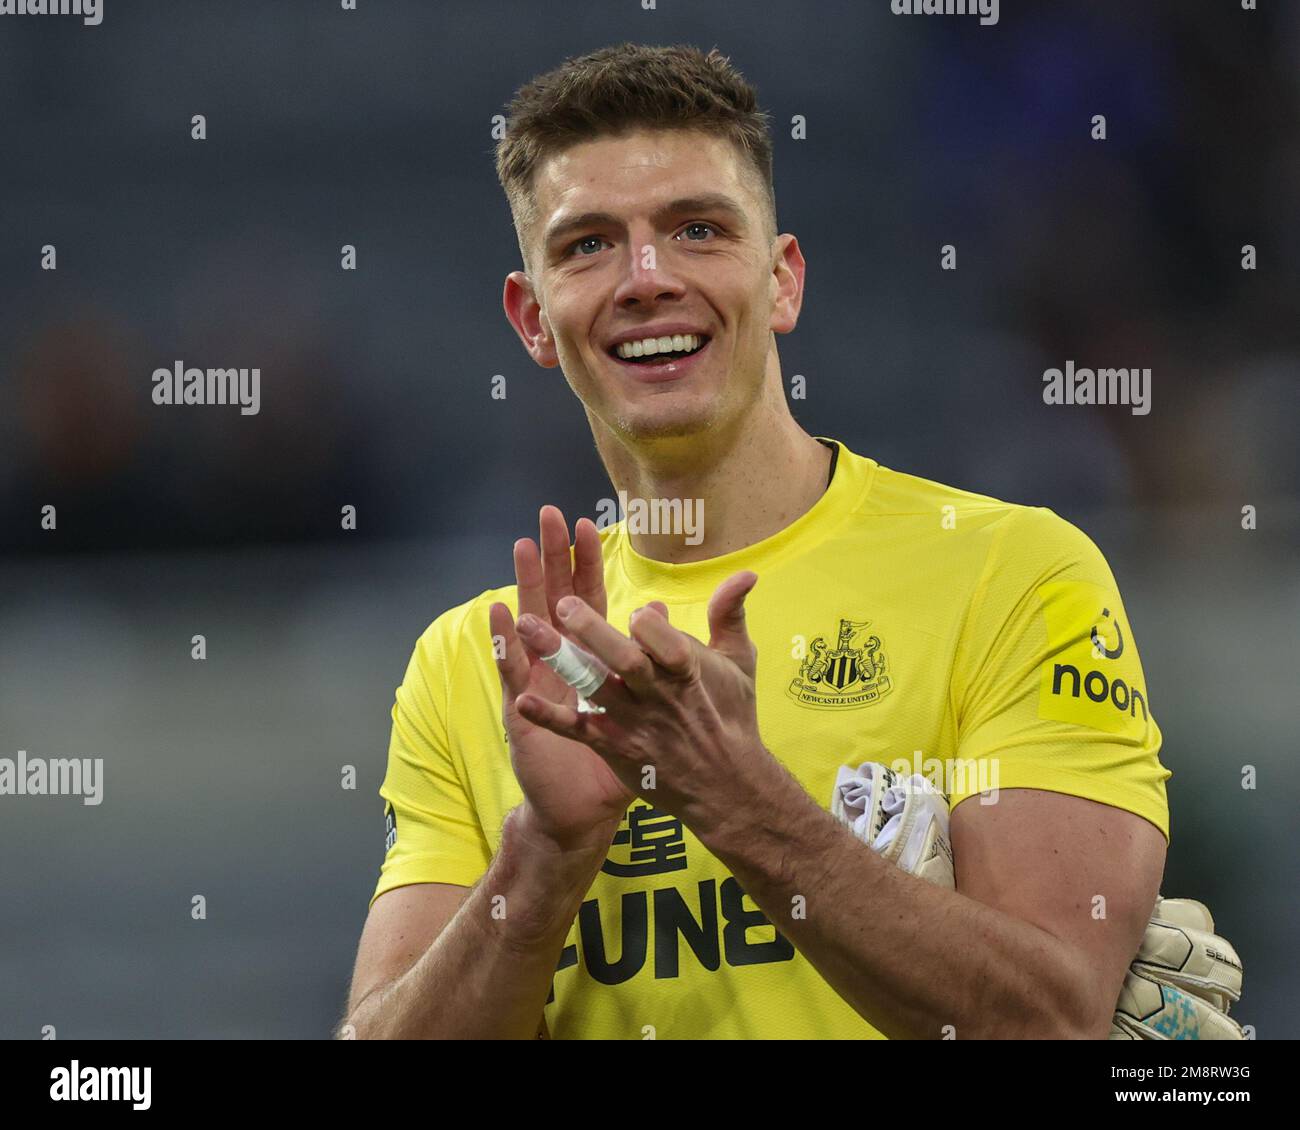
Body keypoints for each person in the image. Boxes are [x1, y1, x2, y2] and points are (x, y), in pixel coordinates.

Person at [340, 42, 1169, 1039]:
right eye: (587, 244)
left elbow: (1054, 1020)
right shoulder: (473, 663)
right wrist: (549, 851)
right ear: (532, 318)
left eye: (696, 229)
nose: (645, 278)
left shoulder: (1012, 573)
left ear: (781, 283)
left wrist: (733, 793)